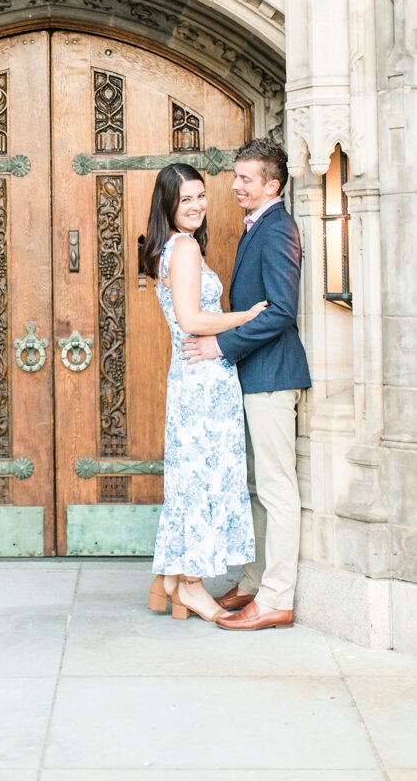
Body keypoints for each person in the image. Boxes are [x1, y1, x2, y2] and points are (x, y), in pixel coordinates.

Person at [181, 138, 311, 630]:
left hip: (273, 376)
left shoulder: (278, 229)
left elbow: (280, 310)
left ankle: (277, 597)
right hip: (254, 376)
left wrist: (221, 346)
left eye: (245, 179)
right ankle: (255, 580)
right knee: (256, 485)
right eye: (235, 177)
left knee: (277, 489)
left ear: (271, 185)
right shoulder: (257, 226)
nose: (235, 186)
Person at [143, 162, 265, 623]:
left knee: (192, 478)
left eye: (200, 196)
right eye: (185, 199)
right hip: (203, 381)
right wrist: (246, 316)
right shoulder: (186, 248)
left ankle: (171, 580)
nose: (195, 206)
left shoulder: (170, 247)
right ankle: (191, 585)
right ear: (168, 204)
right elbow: (192, 321)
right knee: (202, 480)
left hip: (194, 378)